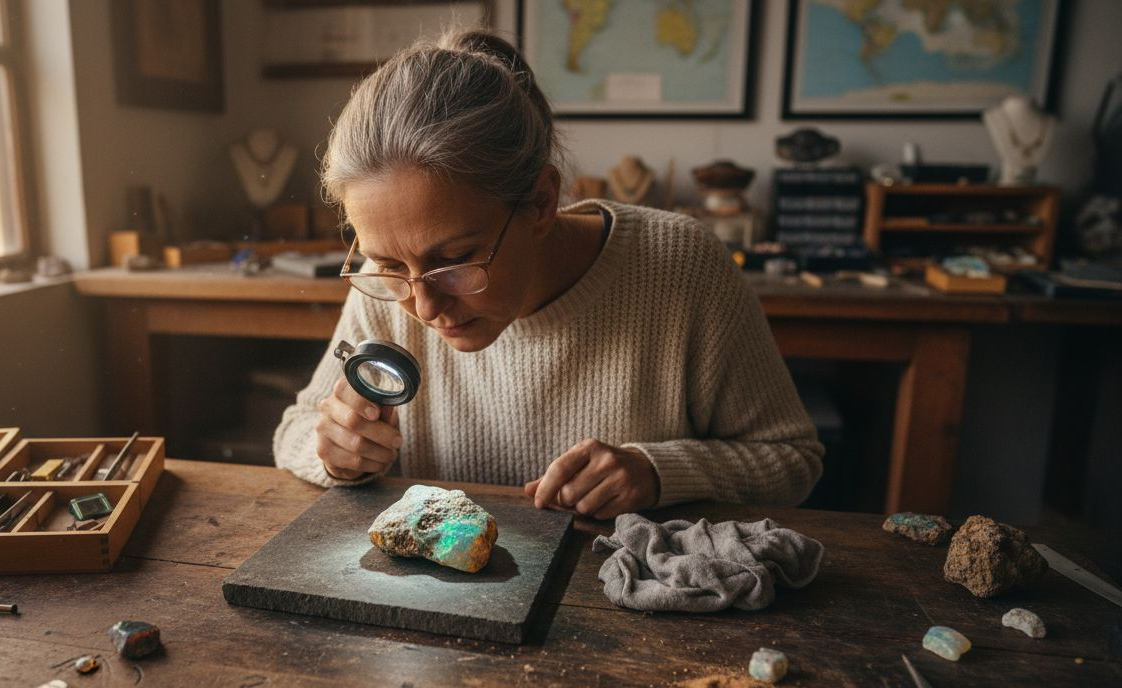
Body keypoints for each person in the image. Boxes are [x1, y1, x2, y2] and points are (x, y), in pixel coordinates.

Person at [273, 30, 823, 518]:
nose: (422, 307)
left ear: (540, 202)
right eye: (390, 265)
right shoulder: (389, 285)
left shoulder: (679, 264)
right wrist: (336, 453)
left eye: (455, 261)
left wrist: (658, 473)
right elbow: (295, 429)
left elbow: (792, 462)